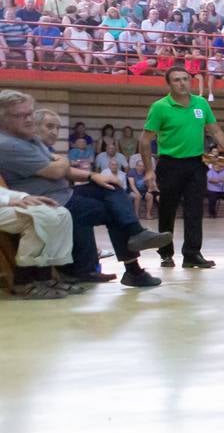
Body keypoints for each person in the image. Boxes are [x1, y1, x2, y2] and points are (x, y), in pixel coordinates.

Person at [0, 93, 170, 287]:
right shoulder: (8, 144)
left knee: (111, 186)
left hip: (64, 193)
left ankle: (135, 237)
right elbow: (57, 170)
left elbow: (62, 168)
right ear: (3, 118)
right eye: (21, 115)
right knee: (113, 211)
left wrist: (92, 175)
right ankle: (133, 265)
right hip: (49, 201)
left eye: (30, 113)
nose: (29, 119)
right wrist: (63, 160)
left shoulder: (27, 138)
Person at [140, 67, 224, 268]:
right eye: (176, 80)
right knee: (168, 211)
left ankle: (192, 254)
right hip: (169, 164)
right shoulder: (160, 107)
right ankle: (166, 253)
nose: (182, 83)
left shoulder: (200, 103)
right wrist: (149, 170)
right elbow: (145, 140)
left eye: (185, 79)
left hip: (196, 164)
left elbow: (215, 130)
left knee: (194, 210)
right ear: (169, 83)